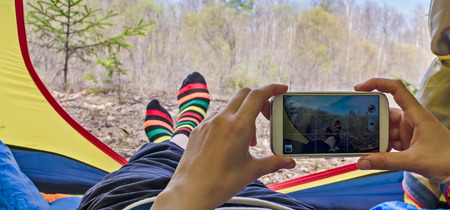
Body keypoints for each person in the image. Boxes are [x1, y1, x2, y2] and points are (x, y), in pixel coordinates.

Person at [78, 74, 450, 209]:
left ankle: (175, 135)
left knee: (156, 162)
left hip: (139, 203)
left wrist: (180, 201)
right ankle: (181, 135)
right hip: (263, 202)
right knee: (225, 171)